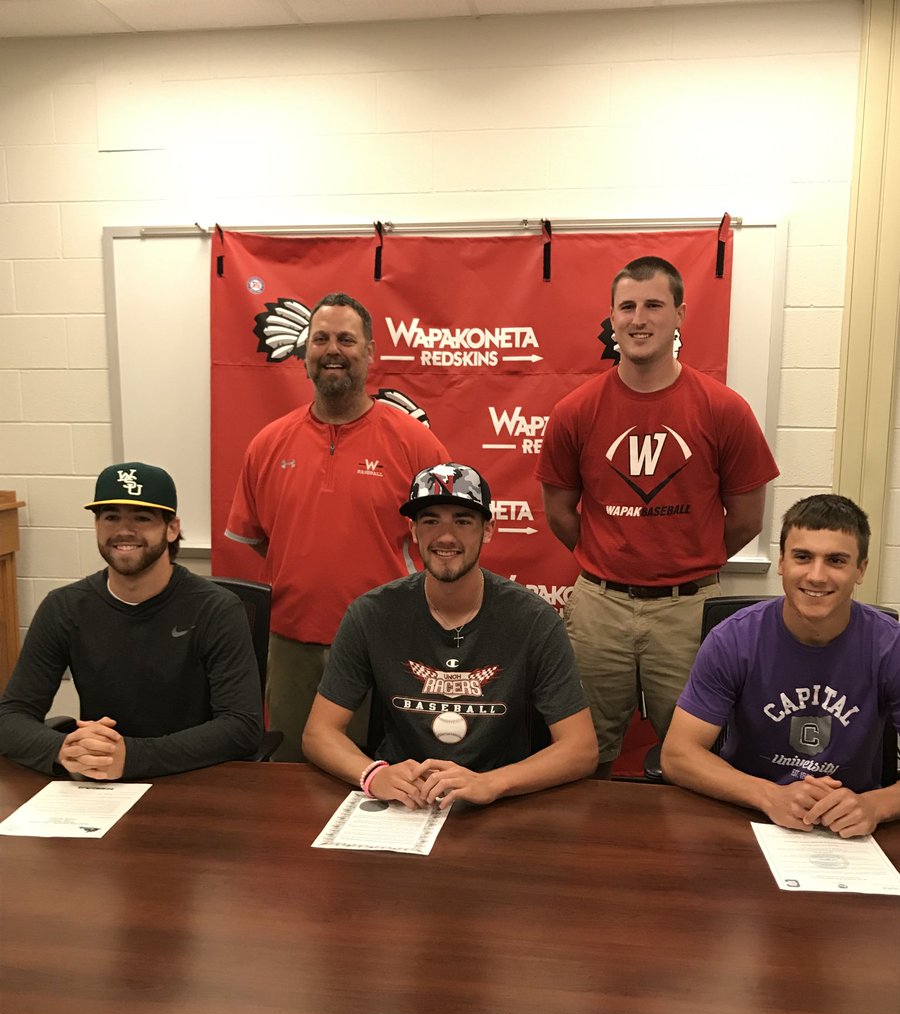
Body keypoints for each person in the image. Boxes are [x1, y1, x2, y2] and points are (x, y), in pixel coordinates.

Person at [537, 255, 779, 778]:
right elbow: (559, 510)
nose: (639, 318)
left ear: (680, 315)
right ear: (612, 318)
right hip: (598, 607)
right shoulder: (575, 410)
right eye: (627, 306)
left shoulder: (723, 408)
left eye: (653, 305)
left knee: (697, 761)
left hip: (689, 611)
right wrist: (609, 555)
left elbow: (747, 516)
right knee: (581, 756)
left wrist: (687, 556)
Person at [225, 291, 448, 761]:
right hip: (290, 646)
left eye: (347, 339)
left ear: (370, 353)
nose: (332, 349)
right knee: (290, 779)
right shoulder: (267, 444)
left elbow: (446, 544)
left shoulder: (416, 443)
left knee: (385, 776)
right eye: (320, 338)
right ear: (304, 353)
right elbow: (265, 540)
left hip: (388, 643)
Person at [302, 462, 598, 808]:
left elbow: (581, 749)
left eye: (462, 520)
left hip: (500, 802)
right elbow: (318, 733)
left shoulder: (533, 620)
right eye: (431, 521)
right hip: (403, 805)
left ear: (487, 529)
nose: (445, 536)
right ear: (413, 531)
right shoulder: (372, 614)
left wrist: (492, 783)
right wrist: (373, 773)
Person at [0, 462, 263, 780]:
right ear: (97, 526)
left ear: (172, 528)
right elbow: (10, 717)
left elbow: (242, 726)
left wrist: (132, 757)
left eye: (142, 518)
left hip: (193, 779)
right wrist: (63, 749)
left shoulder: (216, 609)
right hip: (99, 787)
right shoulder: (64, 607)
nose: (124, 531)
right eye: (111, 517)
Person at [661, 494, 900, 838]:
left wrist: (875, 806)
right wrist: (769, 795)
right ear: (782, 562)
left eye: (836, 560)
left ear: (860, 569)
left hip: (850, 826)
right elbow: (677, 755)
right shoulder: (734, 638)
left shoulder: (890, 646)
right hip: (749, 814)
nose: (817, 575)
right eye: (803, 557)